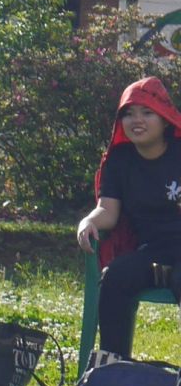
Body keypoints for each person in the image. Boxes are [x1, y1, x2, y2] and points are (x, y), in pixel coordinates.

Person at [77, 76, 181, 359]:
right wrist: (88, 222)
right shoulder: (119, 159)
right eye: (129, 113)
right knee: (115, 278)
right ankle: (115, 367)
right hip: (153, 250)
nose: (138, 120)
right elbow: (108, 211)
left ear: (165, 119)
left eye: (147, 112)